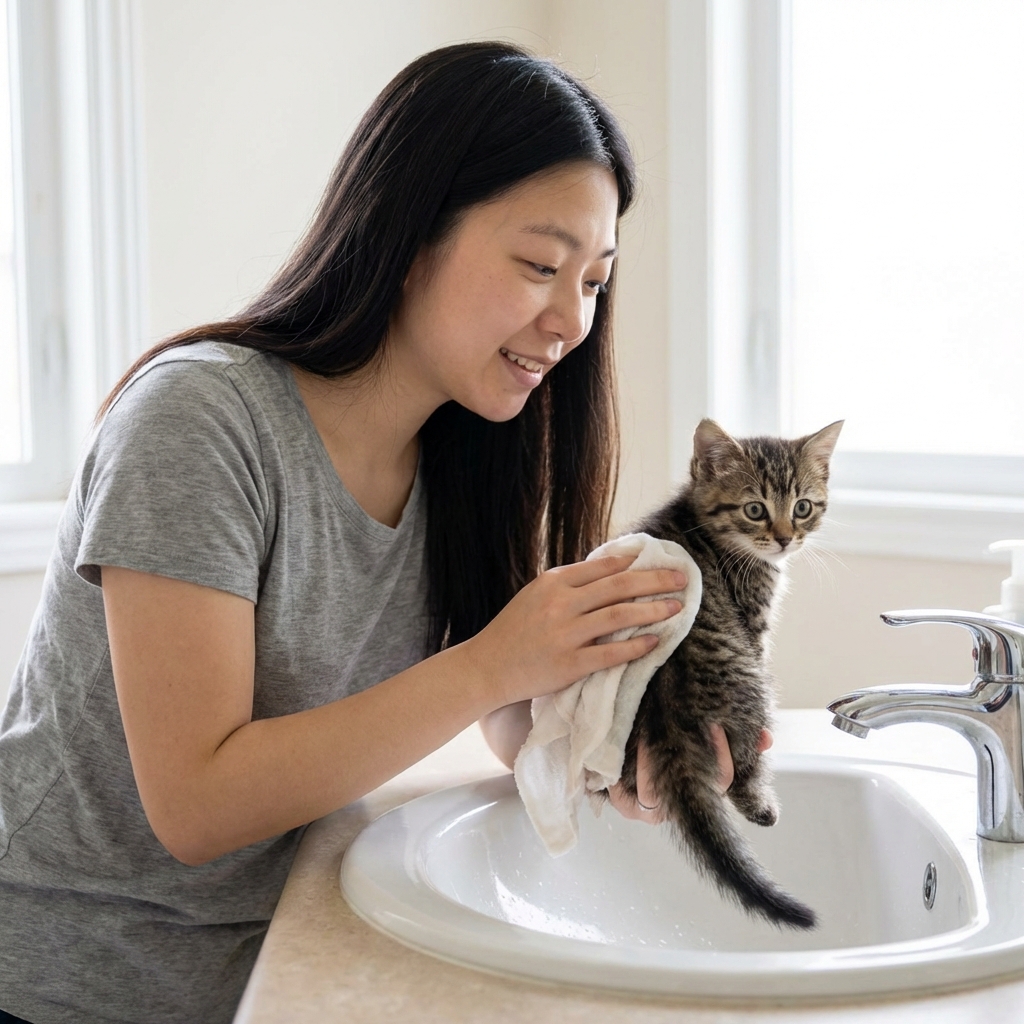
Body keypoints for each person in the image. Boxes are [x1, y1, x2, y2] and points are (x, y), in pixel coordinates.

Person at [0, 41, 755, 1024]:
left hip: (273, 965)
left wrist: (623, 743)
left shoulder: (462, 449)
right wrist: (495, 662)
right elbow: (194, 806)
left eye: (595, 281)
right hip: (61, 983)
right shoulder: (195, 424)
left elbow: (507, 709)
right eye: (539, 264)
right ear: (410, 237)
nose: (570, 319)